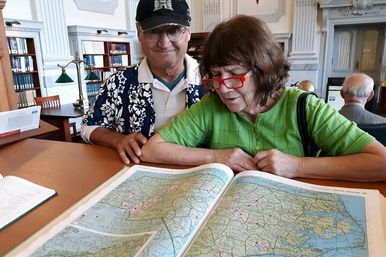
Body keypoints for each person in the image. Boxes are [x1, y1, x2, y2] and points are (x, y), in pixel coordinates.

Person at [141, 15, 386, 181]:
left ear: (264, 70)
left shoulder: (304, 107)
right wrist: (216, 156)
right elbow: (152, 150)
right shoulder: (211, 106)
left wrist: (298, 166)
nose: (223, 89)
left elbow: (380, 161)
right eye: (215, 75)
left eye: (235, 75)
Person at [81, 0, 206, 165]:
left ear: (188, 33)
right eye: (154, 31)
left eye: (174, 30)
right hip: (137, 174)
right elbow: (88, 127)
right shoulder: (118, 82)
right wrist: (117, 140)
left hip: (198, 177)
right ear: (140, 34)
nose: (164, 43)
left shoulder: (212, 82)